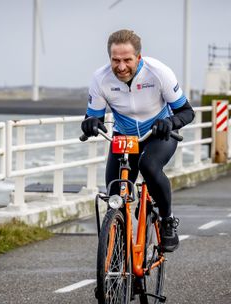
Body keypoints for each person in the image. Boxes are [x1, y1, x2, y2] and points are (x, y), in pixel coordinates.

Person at [81, 29, 195, 252]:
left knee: (149, 166)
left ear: (139, 58)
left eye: (127, 60)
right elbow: (94, 116)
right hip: (124, 137)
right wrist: (91, 123)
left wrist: (170, 122)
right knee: (115, 194)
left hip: (157, 134)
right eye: (115, 60)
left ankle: (167, 219)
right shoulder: (100, 78)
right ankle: (118, 257)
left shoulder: (158, 72)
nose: (121, 67)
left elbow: (187, 112)